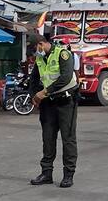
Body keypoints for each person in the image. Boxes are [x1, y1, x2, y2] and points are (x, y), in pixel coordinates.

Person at [29, 26, 79, 188]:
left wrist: (44, 92)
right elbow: (34, 79)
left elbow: (65, 77)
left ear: (42, 44)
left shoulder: (63, 54)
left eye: (35, 48)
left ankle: (68, 175)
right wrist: (34, 96)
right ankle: (46, 173)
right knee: (47, 139)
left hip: (65, 102)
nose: (35, 52)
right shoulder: (39, 58)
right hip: (48, 104)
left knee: (68, 139)